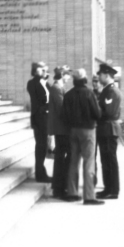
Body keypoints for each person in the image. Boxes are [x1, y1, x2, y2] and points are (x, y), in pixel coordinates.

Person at [62, 68, 104, 205]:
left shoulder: (68, 95)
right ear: (84, 79)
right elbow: (97, 114)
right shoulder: (89, 93)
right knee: (89, 162)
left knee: (73, 161)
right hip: (88, 130)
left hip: (73, 131)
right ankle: (89, 196)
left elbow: (64, 115)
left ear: (74, 80)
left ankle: (72, 193)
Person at [96, 63, 121, 200]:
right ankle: (108, 188)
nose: (98, 76)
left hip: (108, 129)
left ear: (106, 75)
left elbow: (109, 112)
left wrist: (94, 112)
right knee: (106, 160)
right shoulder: (107, 90)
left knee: (109, 160)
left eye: (100, 74)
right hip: (106, 129)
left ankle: (113, 190)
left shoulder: (110, 91)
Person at [48, 65, 72, 198]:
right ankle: (59, 186)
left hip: (62, 128)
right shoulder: (57, 88)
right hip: (62, 128)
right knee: (61, 157)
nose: (68, 77)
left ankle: (59, 185)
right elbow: (62, 108)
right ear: (62, 74)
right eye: (67, 74)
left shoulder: (59, 88)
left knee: (61, 157)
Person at [27, 62, 52, 183]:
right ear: (35, 71)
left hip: (46, 118)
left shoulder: (45, 83)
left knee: (44, 146)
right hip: (39, 118)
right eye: (41, 69)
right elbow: (37, 101)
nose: (44, 71)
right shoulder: (32, 83)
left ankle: (41, 171)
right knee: (40, 145)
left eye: (45, 69)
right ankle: (40, 173)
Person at [92, 74, 103, 186]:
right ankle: (93, 179)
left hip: (103, 128)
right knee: (92, 156)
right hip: (93, 128)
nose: (95, 83)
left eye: (97, 81)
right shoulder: (91, 94)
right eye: (93, 81)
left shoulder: (104, 94)